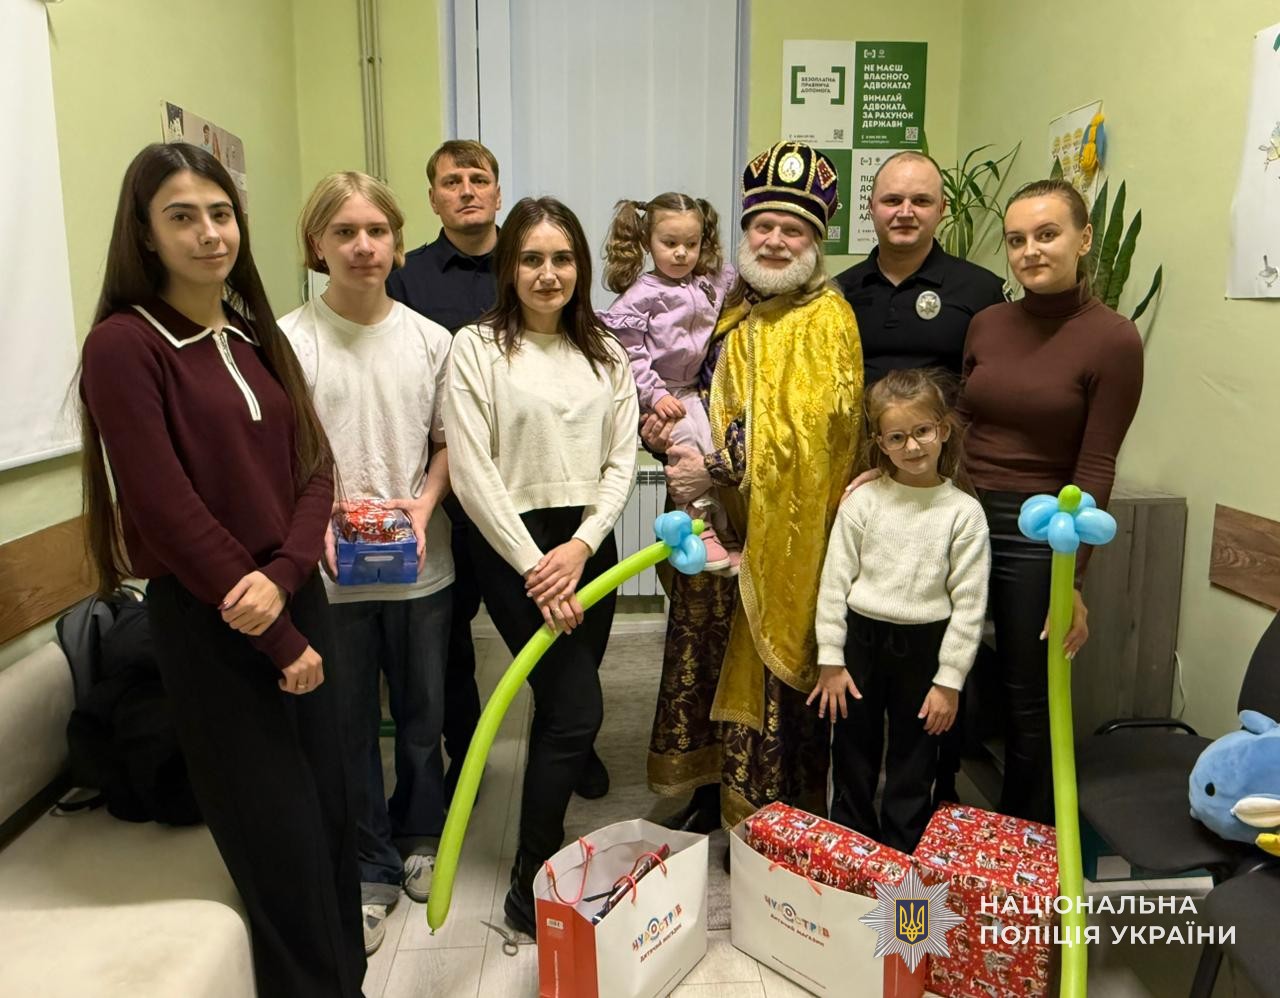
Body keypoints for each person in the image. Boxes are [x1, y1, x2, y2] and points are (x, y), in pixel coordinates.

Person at [77, 143, 364, 996]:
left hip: (293, 603)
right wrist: (273, 624)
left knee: (327, 823)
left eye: (220, 213)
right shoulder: (124, 347)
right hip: (216, 626)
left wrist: (286, 575)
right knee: (276, 842)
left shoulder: (250, 330)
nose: (209, 234)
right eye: (182, 217)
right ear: (145, 233)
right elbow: (166, 510)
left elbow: (316, 463)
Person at [646, 141, 864, 838]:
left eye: (791, 229)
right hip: (714, 527)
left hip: (781, 541)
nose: (774, 239)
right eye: (763, 226)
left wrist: (719, 467)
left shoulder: (827, 319)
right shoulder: (734, 304)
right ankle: (707, 789)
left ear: (814, 240)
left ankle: (768, 812)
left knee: (768, 678)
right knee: (701, 657)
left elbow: (813, 437)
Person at [443, 196, 639, 936]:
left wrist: (584, 545)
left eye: (561, 259)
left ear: (580, 267)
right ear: (509, 267)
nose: (548, 273)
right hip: (514, 548)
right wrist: (539, 567)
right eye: (532, 259)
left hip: (590, 543)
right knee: (577, 709)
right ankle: (530, 878)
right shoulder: (478, 348)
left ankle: (565, 765)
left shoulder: (607, 351)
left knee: (566, 703)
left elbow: (623, 461)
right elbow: (472, 473)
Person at [280, 171, 454, 955]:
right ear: (317, 245)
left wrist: (421, 505)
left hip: (423, 568)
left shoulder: (430, 340)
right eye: (344, 232)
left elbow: (449, 445)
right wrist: (310, 527)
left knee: (422, 716)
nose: (362, 246)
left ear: (398, 240)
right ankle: (371, 867)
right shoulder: (287, 343)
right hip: (331, 578)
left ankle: (421, 832)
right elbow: (280, 458)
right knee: (348, 726)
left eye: (376, 231)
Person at [958, 178, 1143, 823]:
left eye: (1047, 234)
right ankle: (936, 810)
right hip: (958, 511)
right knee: (935, 664)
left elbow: (1096, 463)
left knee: (1026, 688)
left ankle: (1021, 833)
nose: (1030, 251)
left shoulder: (1113, 339)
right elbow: (962, 419)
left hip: (1040, 530)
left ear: (1084, 239)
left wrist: (1074, 578)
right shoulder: (986, 324)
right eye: (1017, 240)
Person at [810, 368, 990, 852]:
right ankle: (850, 849)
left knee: (916, 757)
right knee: (852, 750)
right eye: (897, 437)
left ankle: (903, 854)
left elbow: (969, 607)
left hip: (925, 647)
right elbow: (834, 583)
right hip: (860, 642)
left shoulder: (964, 513)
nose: (912, 446)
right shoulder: (863, 502)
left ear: (943, 430)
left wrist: (949, 681)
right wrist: (831, 657)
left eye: (922, 432)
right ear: (880, 443)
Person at [599, 192, 739, 572]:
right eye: (670, 243)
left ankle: (722, 530)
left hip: (694, 389)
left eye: (691, 244)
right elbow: (629, 354)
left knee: (712, 447)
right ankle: (695, 524)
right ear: (648, 243)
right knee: (687, 447)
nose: (681, 253)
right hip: (661, 392)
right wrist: (654, 394)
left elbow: (736, 284)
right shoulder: (642, 295)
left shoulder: (709, 283)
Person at [835, 151, 1005, 386]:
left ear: (942, 209)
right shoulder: (838, 294)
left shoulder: (983, 291)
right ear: (871, 207)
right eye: (892, 200)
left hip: (950, 423)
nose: (905, 213)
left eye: (921, 201)